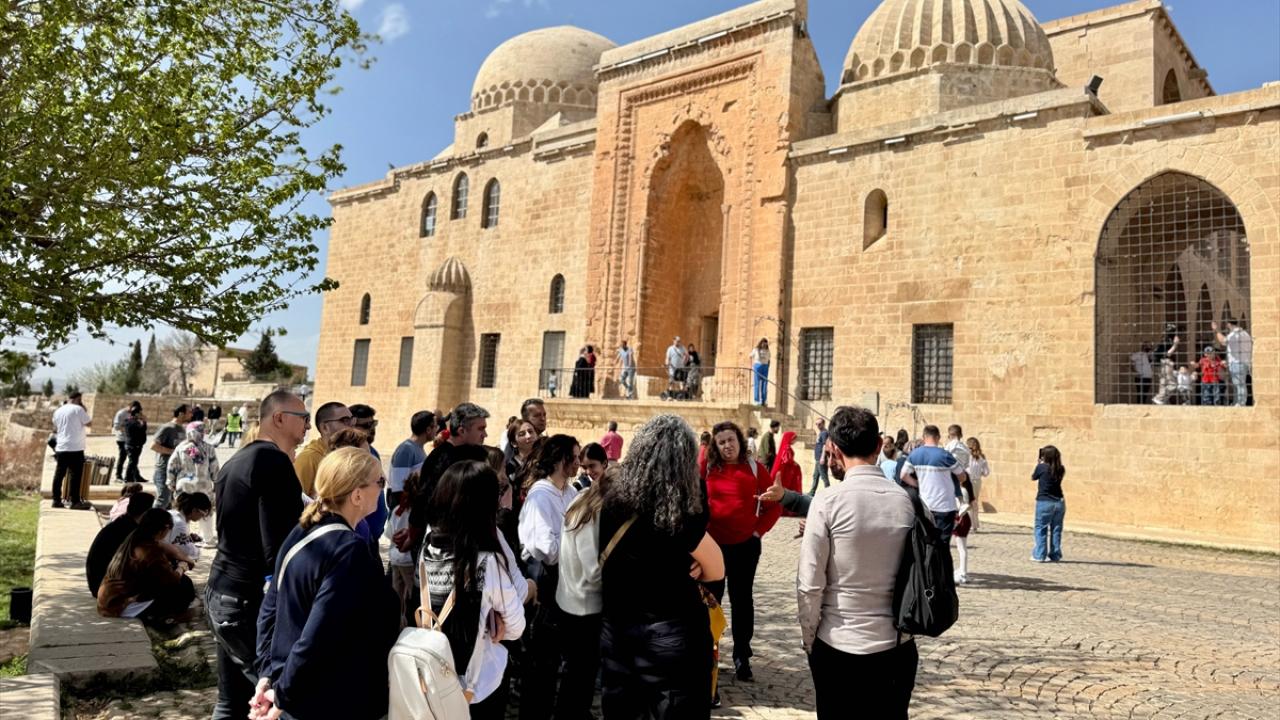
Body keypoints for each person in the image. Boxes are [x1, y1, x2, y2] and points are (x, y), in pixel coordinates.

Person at [251, 447, 400, 720]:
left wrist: (268, 676)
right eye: (380, 482)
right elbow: (320, 632)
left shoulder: (301, 531)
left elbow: (269, 611)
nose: (382, 489)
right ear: (357, 494)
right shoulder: (348, 550)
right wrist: (282, 693)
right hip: (330, 698)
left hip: (299, 690)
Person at [599, 414, 724, 718]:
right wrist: (689, 565)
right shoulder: (681, 507)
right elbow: (716, 568)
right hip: (672, 630)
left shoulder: (613, 500)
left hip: (618, 628)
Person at [797, 406, 917, 719]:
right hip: (895, 644)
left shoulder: (827, 502)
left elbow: (810, 584)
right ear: (879, 445)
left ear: (833, 448)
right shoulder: (906, 501)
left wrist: (810, 639)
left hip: (837, 642)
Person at [206, 391, 307, 720]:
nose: (308, 425)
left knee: (231, 700)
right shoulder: (272, 462)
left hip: (222, 591)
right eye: (303, 417)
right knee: (280, 697)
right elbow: (278, 547)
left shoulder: (236, 461)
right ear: (279, 418)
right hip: (247, 601)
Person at [421, 461, 529, 720]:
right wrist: (496, 620)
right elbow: (515, 627)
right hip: (477, 684)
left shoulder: (430, 544)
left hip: (434, 673)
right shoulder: (486, 561)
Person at [702, 421, 780, 682]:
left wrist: (759, 531)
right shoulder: (708, 468)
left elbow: (774, 505)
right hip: (713, 548)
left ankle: (741, 655)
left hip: (745, 546)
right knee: (712, 600)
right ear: (716, 445)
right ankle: (707, 652)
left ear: (740, 440)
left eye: (730, 440)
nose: (727, 445)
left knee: (742, 601)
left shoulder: (755, 468)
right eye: (721, 441)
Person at [517, 433, 581, 720]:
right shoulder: (541, 495)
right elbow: (548, 548)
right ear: (561, 460)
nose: (579, 464)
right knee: (541, 657)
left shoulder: (569, 492)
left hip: (565, 581)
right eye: (575, 457)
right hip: (544, 579)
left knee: (556, 656)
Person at [556, 464, 617, 720]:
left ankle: (574, 711)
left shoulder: (582, 500)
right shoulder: (592, 514)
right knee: (581, 670)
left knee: (578, 668)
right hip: (583, 604)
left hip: (570, 597)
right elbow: (593, 571)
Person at [97, 508, 196, 622]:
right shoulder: (149, 551)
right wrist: (181, 567)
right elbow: (172, 579)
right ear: (164, 529)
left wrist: (182, 559)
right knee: (183, 586)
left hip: (108, 600)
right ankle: (162, 617)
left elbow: (165, 548)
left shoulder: (135, 537)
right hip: (121, 605)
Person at [900, 425, 968, 544]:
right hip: (944, 506)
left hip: (925, 505)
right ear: (938, 437)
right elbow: (962, 476)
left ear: (924, 437)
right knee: (942, 544)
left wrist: (917, 484)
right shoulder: (945, 455)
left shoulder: (915, 454)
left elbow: (903, 475)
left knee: (926, 542)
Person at [88, 491, 156, 596]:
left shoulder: (122, 523)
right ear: (146, 512)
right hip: (106, 587)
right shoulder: (130, 530)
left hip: (99, 584)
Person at [166, 421, 220, 547]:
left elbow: (172, 465)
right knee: (205, 511)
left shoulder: (181, 447)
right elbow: (214, 467)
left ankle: (182, 538)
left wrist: (170, 481)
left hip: (184, 485)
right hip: (203, 485)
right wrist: (216, 481)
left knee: (184, 511)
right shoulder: (209, 448)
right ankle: (208, 539)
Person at [293, 401, 352, 497]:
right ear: (325, 427)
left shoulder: (347, 455)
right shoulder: (309, 458)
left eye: (351, 420)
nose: (351, 426)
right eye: (344, 420)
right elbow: (295, 500)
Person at [386, 469, 420, 628]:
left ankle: (395, 624)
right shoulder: (416, 514)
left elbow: (389, 534)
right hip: (408, 560)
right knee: (410, 595)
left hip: (394, 558)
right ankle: (407, 625)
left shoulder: (398, 510)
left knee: (396, 593)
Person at [350, 403, 389, 539]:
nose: (372, 429)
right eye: (366, 426)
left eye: (374, 424)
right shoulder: (349, 457)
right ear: (351, 426)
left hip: (372, 537)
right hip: (357, 536)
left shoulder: (373, 453)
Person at [51, 391, 94, 510]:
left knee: (59, 475)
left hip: (61, 447)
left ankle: (56, 500)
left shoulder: (58, 410)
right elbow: (89, 423)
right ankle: (75, 501)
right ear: (78, 399)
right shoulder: (79, 409)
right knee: (76, 475)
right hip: (75, 447)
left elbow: (55, 426)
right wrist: (84, 408)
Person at [389, 410, 437, 511]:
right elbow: (399, 488)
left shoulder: (418, 448)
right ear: (428, 429)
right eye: (436, 426)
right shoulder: (406, 450)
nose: (437, 430)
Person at [150, 404, 192, 509]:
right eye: (189, 412)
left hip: (176, 471)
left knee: (171, 502)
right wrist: (174, 452)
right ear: (181, 414)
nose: (191, 415)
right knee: (162, 500)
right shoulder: (167, 428)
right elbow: (154, 446)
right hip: (164, 469)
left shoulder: (182, 429)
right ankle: (148, 522)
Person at [1031, 445, 1067, 563]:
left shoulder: (1042, 467)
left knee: (1041, 528)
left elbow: (1033, 477)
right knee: (1056, 529)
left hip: (1045, 501)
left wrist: (1039, 464)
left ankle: (1040, 555)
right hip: (1059, 501)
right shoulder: (1061, 468)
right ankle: (1055, 554)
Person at [1214, 319, 1253, 406]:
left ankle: (1241, 403)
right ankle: (1237, 402)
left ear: (1229, 324)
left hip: (1238, 363)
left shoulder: (1235, 334)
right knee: (1237, 384)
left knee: (1239, 384)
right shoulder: (1245, 334)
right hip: (1243, 362)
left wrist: (1216, 330)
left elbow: (1223, 341)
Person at [168, 491, 213, 563]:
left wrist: (188, 538)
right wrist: (198, 550)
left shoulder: (173, 513)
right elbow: (187, 551)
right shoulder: (179, 523)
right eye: (202, 515)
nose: (201, 518)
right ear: (194, 510)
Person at [771, 431, 803, 515]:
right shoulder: (787, 448)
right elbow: (786, 461)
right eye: (794, 439)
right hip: (788, 473)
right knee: (788, 488)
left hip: (787, 472)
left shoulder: (785, 447)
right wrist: (795, 464)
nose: (795, 441)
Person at [1151, 324, 1181, 405]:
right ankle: (1159, 398)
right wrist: (1175, 344)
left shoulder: (1164, 338)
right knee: (1173, 384)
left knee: (1163, 383)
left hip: (1159, 363)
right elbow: (1167, 354)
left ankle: (1160, 401)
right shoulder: (1168, 340)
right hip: (1164, 362)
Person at [965, 437, 990, 532]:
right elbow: (986, 472)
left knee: (967, 503)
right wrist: (979, 472)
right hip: (977, 481)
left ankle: (970, 525)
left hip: (968, 481)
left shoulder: (967, 456)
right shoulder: (981, 457)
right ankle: (974, 525)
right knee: (974, 503)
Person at [122, 402, 148, 484]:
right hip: (134, 446)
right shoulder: (134, 423)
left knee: (133, 462)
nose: (142, 414)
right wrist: (144, 421)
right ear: (137, 414)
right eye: (140, 413)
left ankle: (135, 477)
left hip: (131, 445)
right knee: (132, 463)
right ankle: (128, 478)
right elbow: (142, 430)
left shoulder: (128, 421)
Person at [810, 418, 829, 495]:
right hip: (817, 458)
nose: (818, 425)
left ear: (823, 424)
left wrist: (822, 457)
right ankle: (812, 492)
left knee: (824, 476)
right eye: (816, 424)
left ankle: (828, 492)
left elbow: (825, 445)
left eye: (819, 424)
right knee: (815, 476)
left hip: (821, 458)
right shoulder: (821, 433)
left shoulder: (824, 433)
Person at [112, 402, 131, 482]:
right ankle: (118, 475)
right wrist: (127, 429)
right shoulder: (121, 413)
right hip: (122, 439)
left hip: (129, 439)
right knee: (122, 457)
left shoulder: (133, 414)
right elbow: (116, 426)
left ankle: (135, 475)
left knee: (132, 458)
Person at [749, 338, 770, 405]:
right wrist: (751, 366)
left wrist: (767, 366)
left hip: (765, 367)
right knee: (757, 383)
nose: (764, 344)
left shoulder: (767, 351)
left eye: (766, 343)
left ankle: (763, 400)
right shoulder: (756, 350)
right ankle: (756, 400)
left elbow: (769, 359)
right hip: (757, 366)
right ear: (761, 343)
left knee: (764, 384)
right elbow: (750, 356)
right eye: (763, 343)